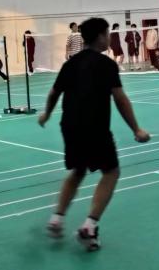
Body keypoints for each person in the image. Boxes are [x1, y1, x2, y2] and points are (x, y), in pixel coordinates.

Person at [39, 18, 150, 251]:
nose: (109, 38)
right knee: (111, 172)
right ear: (100, 36)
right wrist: (136, 129)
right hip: (95, 127)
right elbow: (120, 99)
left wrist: (46, 114)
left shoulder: (70, 64)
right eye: (107, 34)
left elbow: (53, 93)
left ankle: (56, 219)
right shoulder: (106, 65)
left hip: (69, 126)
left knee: (77, 171)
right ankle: (89, 226)